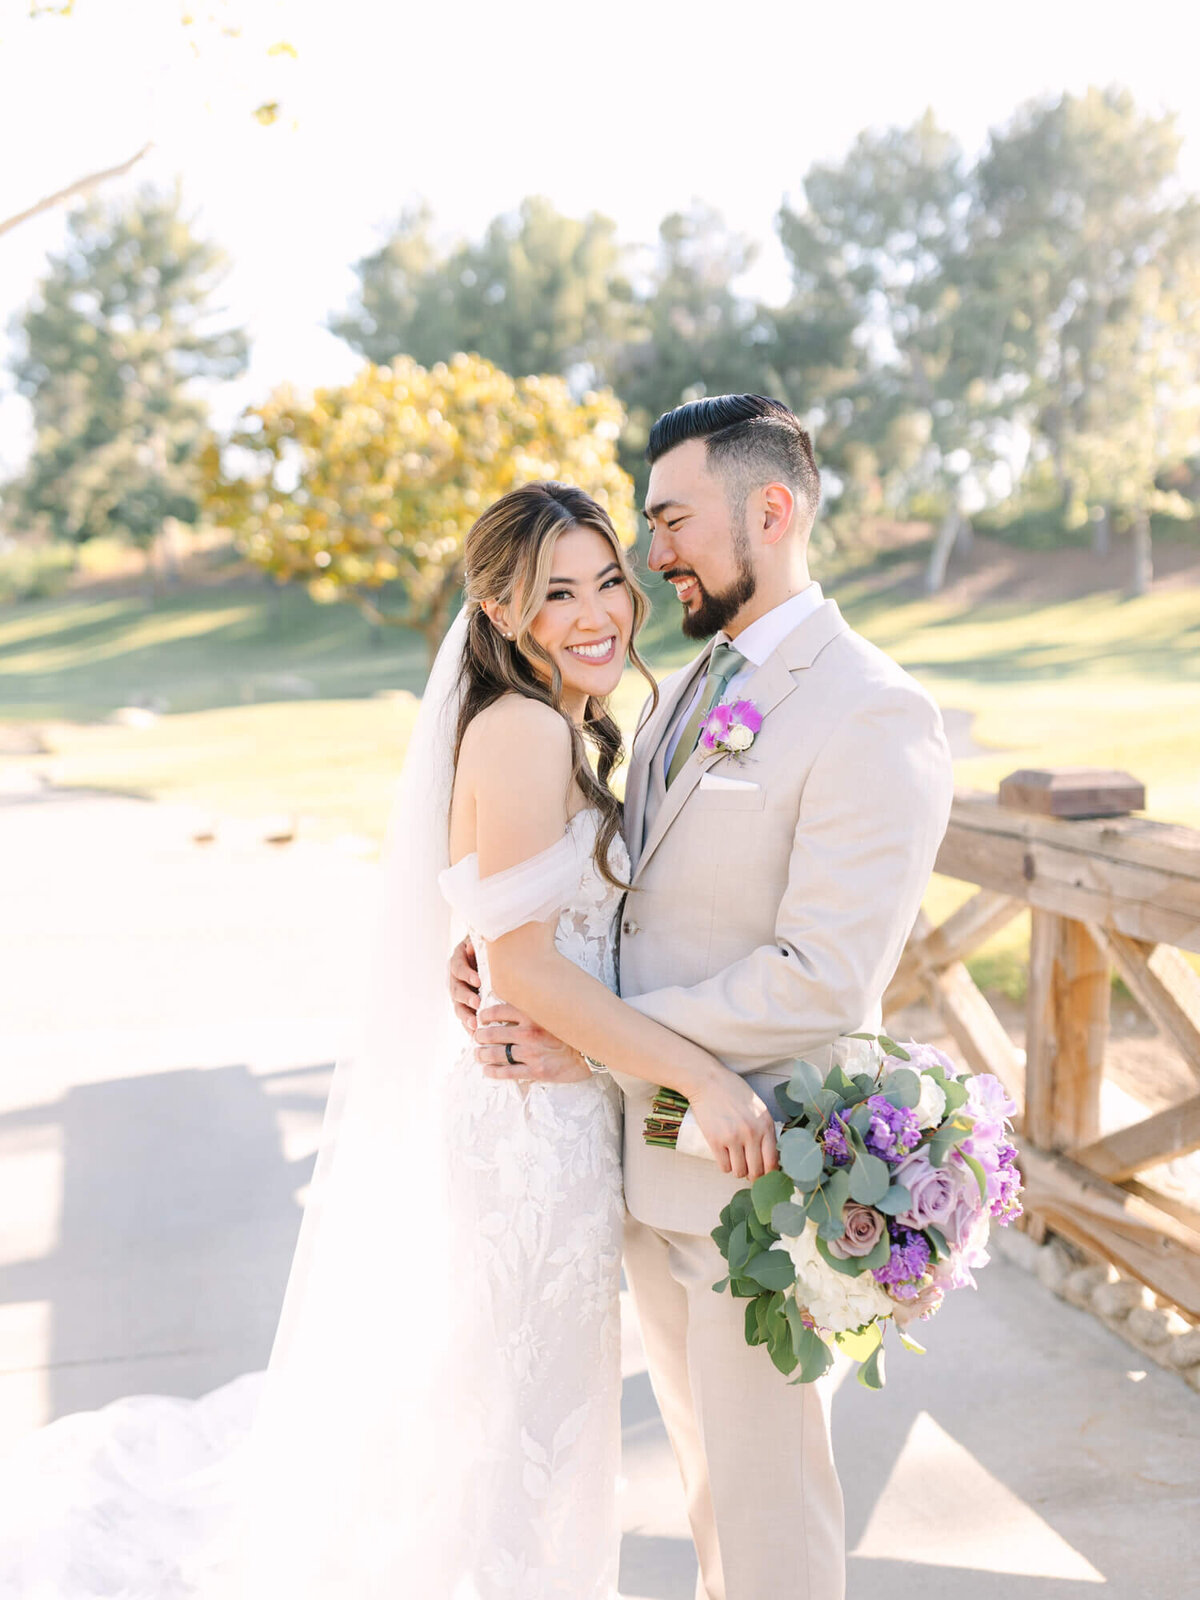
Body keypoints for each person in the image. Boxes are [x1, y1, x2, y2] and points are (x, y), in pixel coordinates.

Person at [0, 478, 775, 1600]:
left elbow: (515, 938)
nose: (599, 608)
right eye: (557, 591)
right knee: (521, 1425)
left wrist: (525, 977)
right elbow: (519, 962)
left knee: (515, 1418)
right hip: (528, 1133)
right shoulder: (522, 731)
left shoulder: (561, 721)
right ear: (503, 613)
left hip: (550, 1109)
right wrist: (698, 1070)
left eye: (610, 577)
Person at [451, 394, 956, 1600]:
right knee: (711, 1495)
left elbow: (821, 976)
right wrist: (493, 958)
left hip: (757, 1176)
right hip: (647, 1171)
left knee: (771, 1506)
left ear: (769, 509)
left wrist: (605, 1049)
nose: (651, 555)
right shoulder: (680, 693)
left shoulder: (872, 709)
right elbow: (615, 906)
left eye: (670, 521)